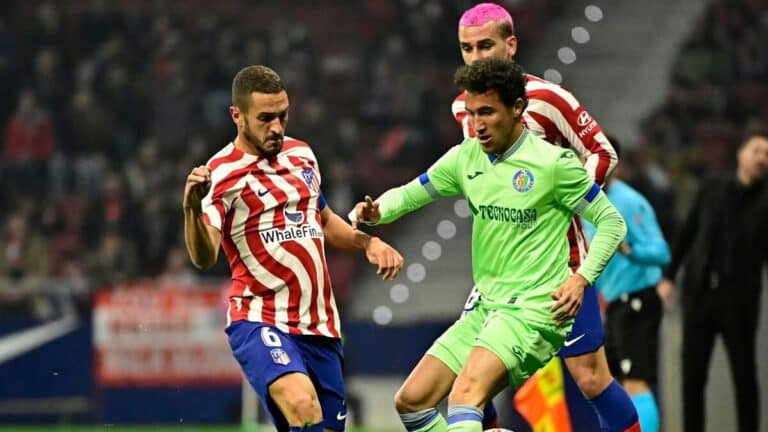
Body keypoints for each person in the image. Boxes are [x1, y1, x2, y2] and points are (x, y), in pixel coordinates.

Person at [394, 3, 640, 431]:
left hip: (560, 263)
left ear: (510, 45)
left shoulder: (548, 99)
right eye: (467, 48)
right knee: (470, 377)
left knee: (590, 377)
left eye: (485, 45)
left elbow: (603, 152)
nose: (475, 56)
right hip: (503, 270)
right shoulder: (463, 108)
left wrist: (561, 207)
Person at [182, 65, 404, 432]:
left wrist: (369, 242)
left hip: (320, 326)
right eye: (265, 118)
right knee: (303, 404)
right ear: (237, 116)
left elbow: (325, 221)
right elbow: (204, 257)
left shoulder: (302, 155)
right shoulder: (220, 173)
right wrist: (191, 208)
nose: (276, 128)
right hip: (260, 317)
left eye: (282, 116)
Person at [657, 128, 768, 432]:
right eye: (756, 151)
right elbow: (687, 232)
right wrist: (669, 276)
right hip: (700, 292)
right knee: (692, 375)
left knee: (745, 375)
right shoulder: (712, 187)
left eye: (767, 154)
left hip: (740, 300)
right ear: (741, 154)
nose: (761, 158)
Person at [583, 136, 670, 432]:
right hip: (613, 304)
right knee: (610, 383)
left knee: (636, 381)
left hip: (638, 299)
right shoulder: (585, 202)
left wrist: (628, 249)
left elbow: (661, 252)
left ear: (615, 165)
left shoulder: (630, 202)